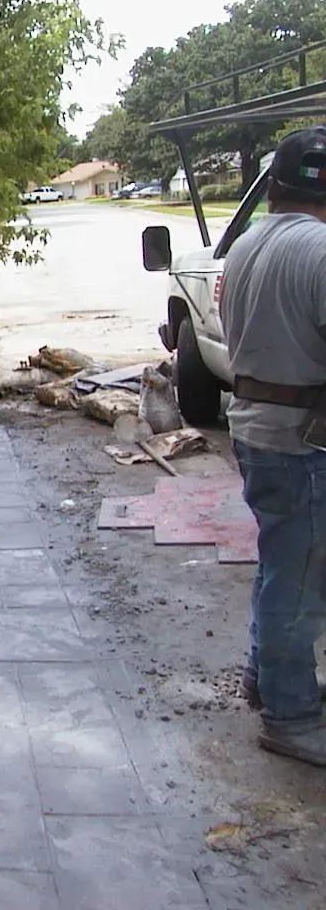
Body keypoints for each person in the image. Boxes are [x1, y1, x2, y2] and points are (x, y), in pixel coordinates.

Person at [219, 126, 326, 766]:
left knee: (284, 561)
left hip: (254, 426)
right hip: (302, 440)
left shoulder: (246, 246)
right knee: (302, 575)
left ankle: (266, 675)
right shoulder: (321, 249)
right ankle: (291, 715)